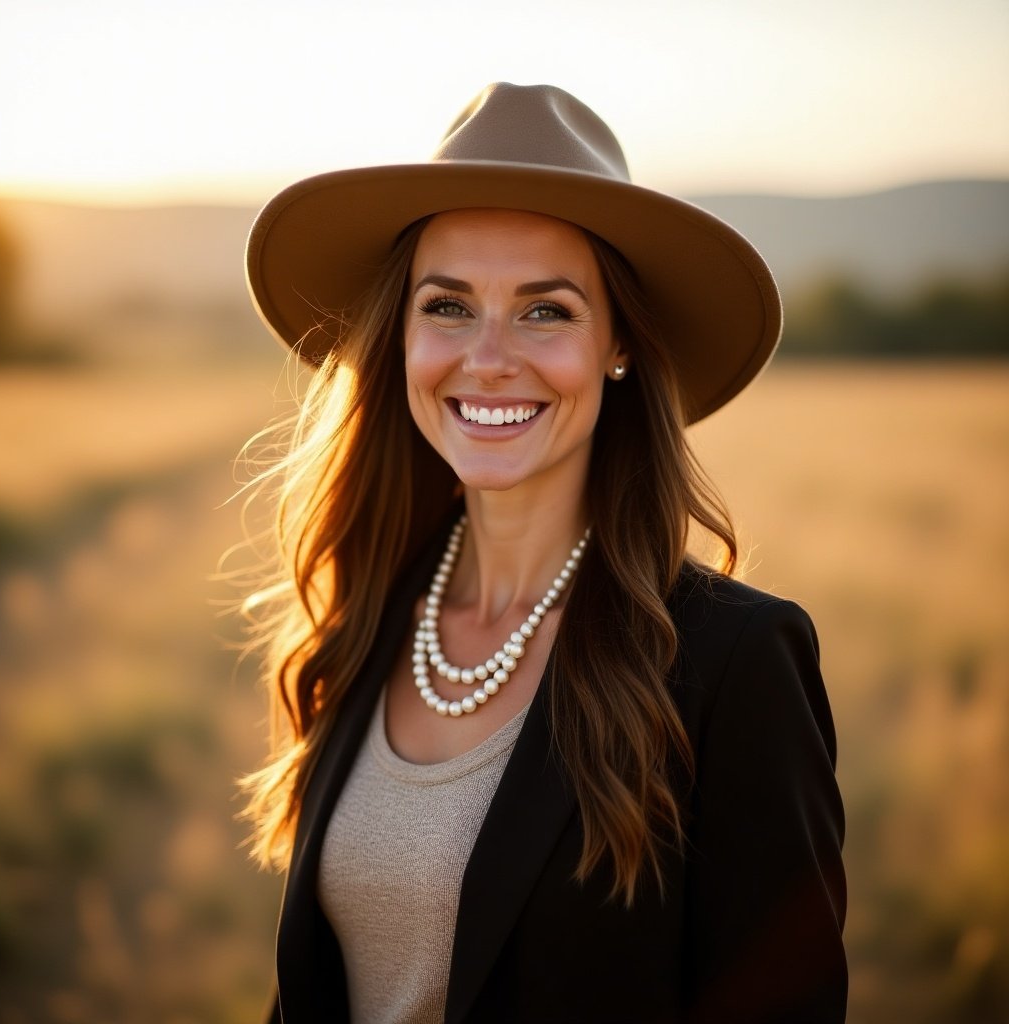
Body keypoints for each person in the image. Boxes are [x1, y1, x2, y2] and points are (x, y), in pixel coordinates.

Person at [241, 82, 846, 1023]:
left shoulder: (732, 663)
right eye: (447, 305)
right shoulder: (370, 615)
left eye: (546, 311)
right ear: (398, 335)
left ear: (618, 347)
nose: (487, 357)